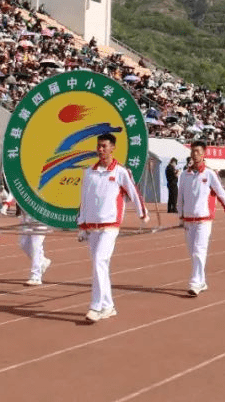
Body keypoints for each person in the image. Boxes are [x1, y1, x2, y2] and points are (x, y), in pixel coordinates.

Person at [76, 134, 149, 322]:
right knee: (100, 266)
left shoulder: (120, 172)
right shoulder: (89, 172)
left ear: (113, 148)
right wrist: (81, 225)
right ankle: (109, 306)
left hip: (110, 226)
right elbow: (84, 201)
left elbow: (134, 192)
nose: (101, 150)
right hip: (92, 226)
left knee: (99, 261)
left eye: (104, 146)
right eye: (98, 146)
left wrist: (143, 213)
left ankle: (96, 306)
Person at [177, 140, 225, 297]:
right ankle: (201, 281)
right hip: (188, 220)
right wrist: (180, 215)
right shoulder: (184, 175)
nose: (195, 154)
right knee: (192, 252)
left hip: (204, 220)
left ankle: (195, 283)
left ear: (204, 154)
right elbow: (180, 197)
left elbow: (220, 191)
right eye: (193, 151)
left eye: (198, 151)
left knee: (198, 251)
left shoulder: (209, 174)